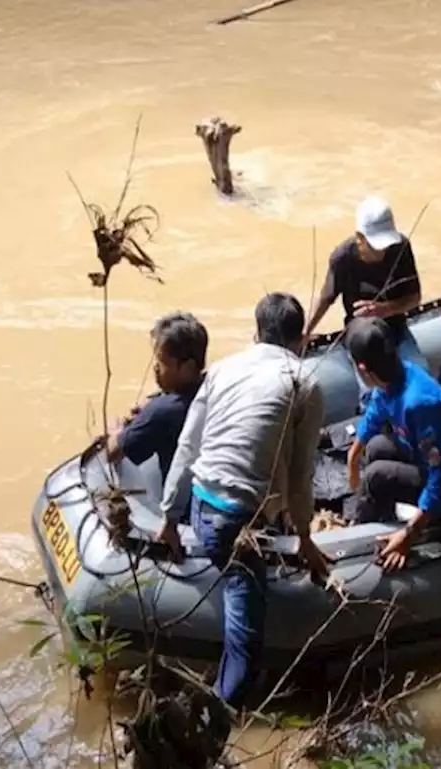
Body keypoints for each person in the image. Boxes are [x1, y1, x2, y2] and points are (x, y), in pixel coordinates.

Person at [157, 293, 331, 744]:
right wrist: (306, 539)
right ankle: (210, 729)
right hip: (234, 524)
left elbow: (188, 448)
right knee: (246, 641)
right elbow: (301, 471)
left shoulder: (222, 370)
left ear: (256, 331)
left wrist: (168, 517)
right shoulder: (304, 381)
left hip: (199, 507)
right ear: (300, 338)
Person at [344, 318, 441, 573]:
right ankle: (376, 517)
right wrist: (354, 456)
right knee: (375, 448)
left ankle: (360, 535)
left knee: (376, 476)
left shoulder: (419, 403)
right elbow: (377, 406)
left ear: (363, 369)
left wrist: (410, 534)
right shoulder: (397, 373)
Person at [303, 196, 428, 396]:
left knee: (421, 375)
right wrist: (306, 331)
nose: (382, 252)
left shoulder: (401, 248)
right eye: (375, 246)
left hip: (395, 325)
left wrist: (385, 309)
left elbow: (415, 297)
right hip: (361, 332)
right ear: (360, 238)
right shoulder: (343, 257)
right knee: (372, 392)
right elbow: (327, 298)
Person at [108, 312, 209, 484]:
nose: (155, 367)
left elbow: (112, 453)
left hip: (179, 505)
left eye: (162, 361)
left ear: (188, 367)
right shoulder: (214, 387)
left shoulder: (163, 411)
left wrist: (117, 432)